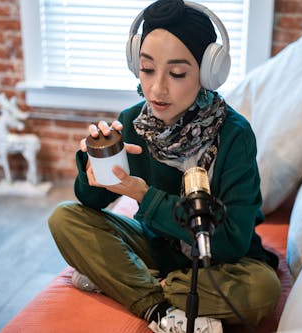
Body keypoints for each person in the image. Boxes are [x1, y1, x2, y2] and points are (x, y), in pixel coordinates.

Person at [48, 0, 281, 332]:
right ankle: (159, 309)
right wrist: (94, 167)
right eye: (147, 69)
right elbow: (92, 203)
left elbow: (231, 242)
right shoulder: (133, 122)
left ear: (208, 72)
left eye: (177, 73)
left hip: (221, 260)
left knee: (262, 290)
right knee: (65, 218)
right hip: (156, 248)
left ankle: (132, 284)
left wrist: (146, 197)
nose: (156, 89)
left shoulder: (235, 135)